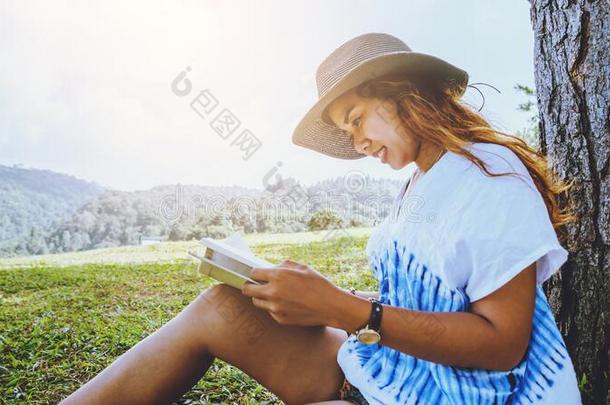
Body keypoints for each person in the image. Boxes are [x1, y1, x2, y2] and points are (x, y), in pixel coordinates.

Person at [61, 32, 582, 405]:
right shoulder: (420, 183)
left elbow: (502, 344)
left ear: (405, 93)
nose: (356, 143)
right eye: (347, 131)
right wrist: (321, 299)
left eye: (356, 120)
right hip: (386, 368)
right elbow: (432, 298)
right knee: (220, 305)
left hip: (455, 391)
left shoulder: (487, 173)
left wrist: (342, 309)